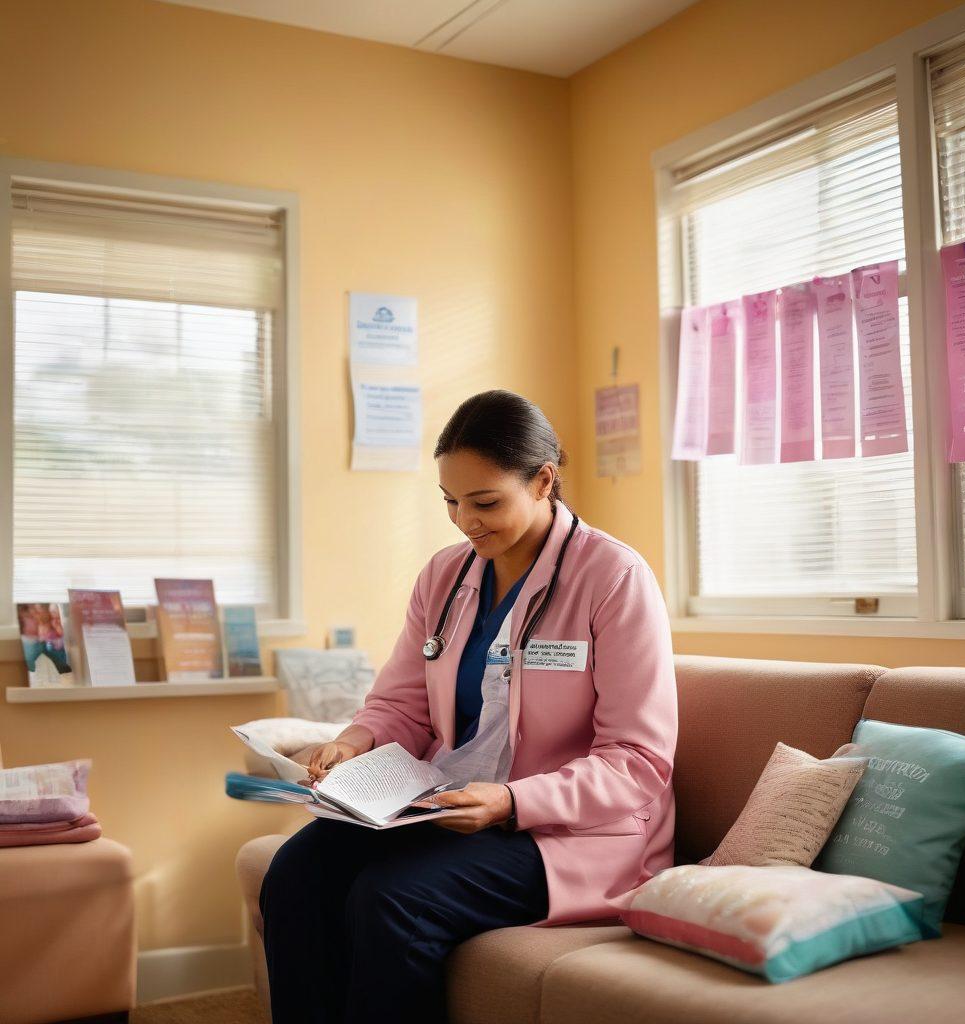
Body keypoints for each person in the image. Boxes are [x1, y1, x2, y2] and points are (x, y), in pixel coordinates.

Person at [259, 389, 678, 1023]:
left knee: (393, 898)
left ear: (544, 481)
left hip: (569, 835)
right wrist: (355, 740)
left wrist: (512, 802)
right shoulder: (444, 576)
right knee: (296, 872)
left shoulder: (614, 579)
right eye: (450, 502)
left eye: (485, 502)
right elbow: (401, 702)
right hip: (447, 807)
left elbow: (639, 760)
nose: (465, 521)